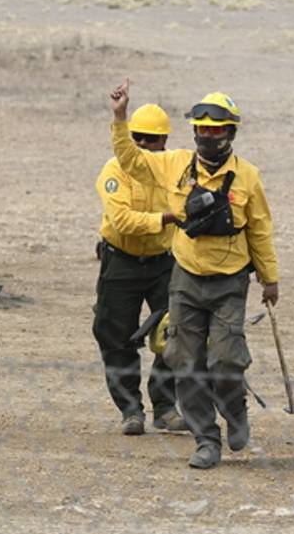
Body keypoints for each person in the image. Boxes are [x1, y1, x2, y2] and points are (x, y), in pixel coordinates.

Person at [109, 81, 279, 469]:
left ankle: (235, 412)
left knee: (226, 361)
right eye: (201, 129)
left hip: (229, 282)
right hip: (185, 279)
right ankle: (206, 440)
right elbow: (131, 160)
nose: (207, 136)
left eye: (216, 130)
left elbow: (260, 229)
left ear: (231, 132)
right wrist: (119, 117)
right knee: (184, 362)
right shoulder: (175, 165)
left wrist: (269, 279)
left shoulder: (248, 177)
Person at [93, 103, 188, 436]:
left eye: (153, 140)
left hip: (164, 261)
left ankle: (165, 406)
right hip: (121, 262)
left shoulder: (175, 171)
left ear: (164, 141)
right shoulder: (114, 171)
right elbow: (122, 220)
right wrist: (165, 219)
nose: (145, 146)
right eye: (139, 139)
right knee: (116, 336)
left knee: (175, 332)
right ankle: (130, 410)